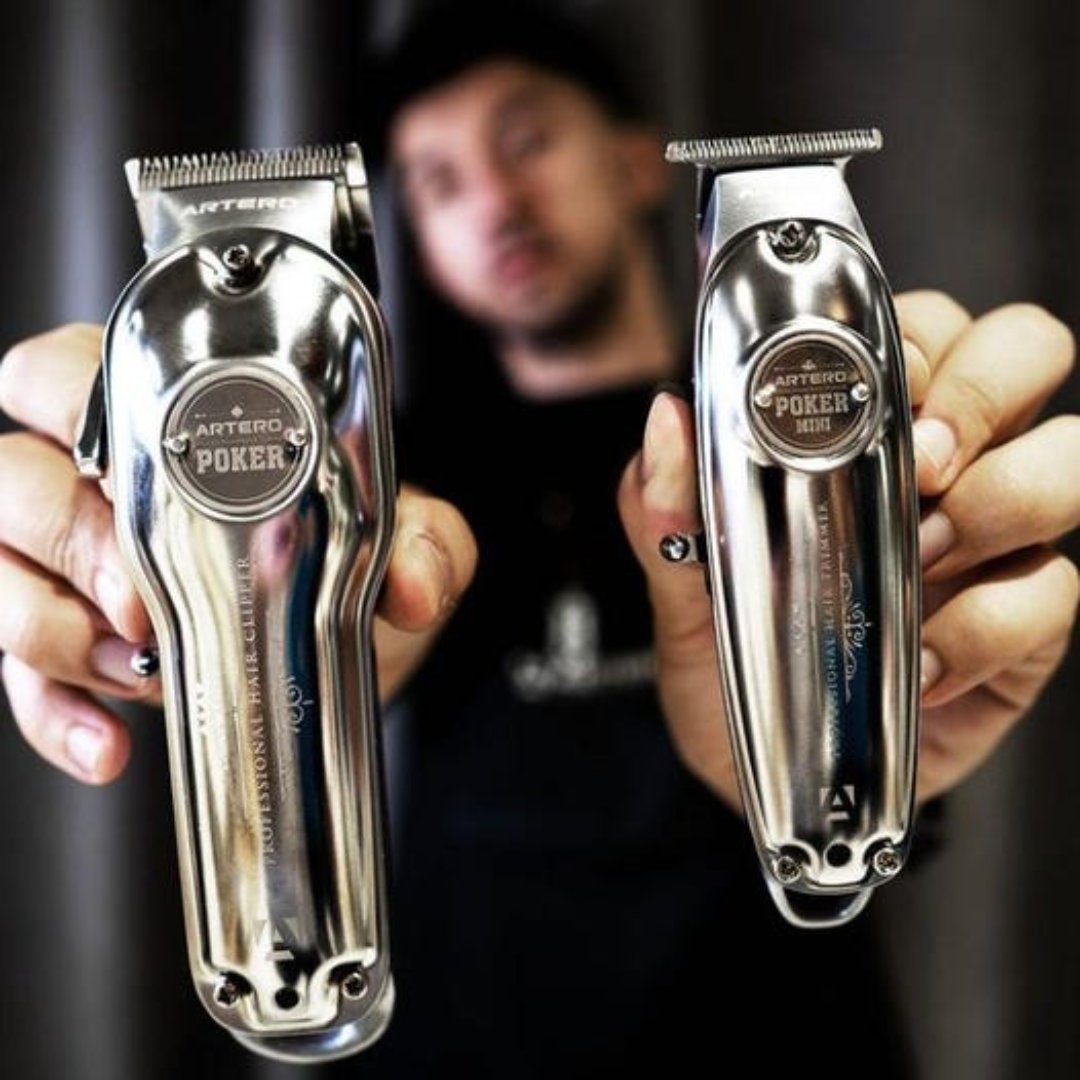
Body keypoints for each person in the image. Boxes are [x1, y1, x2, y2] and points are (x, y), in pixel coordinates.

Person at [0, 2, 1078, 1075]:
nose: (498, 204)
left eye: (527, 142)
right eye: (440, 182)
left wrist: (886, 710)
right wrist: (192, 612)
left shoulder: (826, 435)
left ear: (635, 161)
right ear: (418, 240)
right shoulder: (364, 483)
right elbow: (357, 630)